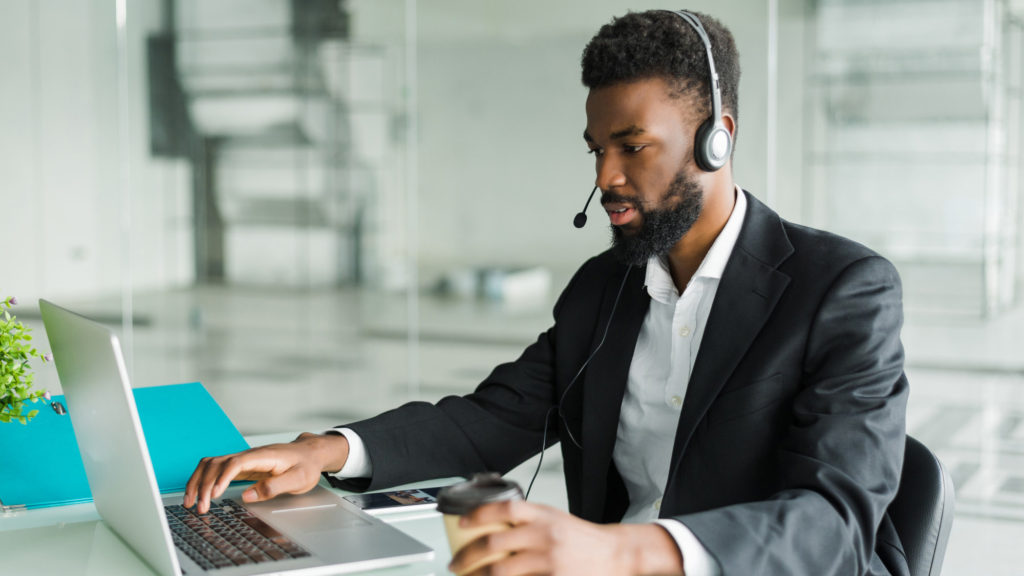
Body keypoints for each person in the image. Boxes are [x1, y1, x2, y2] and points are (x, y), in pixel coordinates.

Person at [185, 9, 909, 576]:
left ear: (716, 138)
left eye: (633, 146)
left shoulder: (842, 290)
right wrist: (327, 451)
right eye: (597, 151)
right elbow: (491, 420)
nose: (605, 180)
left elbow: (833, 526)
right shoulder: (606, 287)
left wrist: (624, 553)